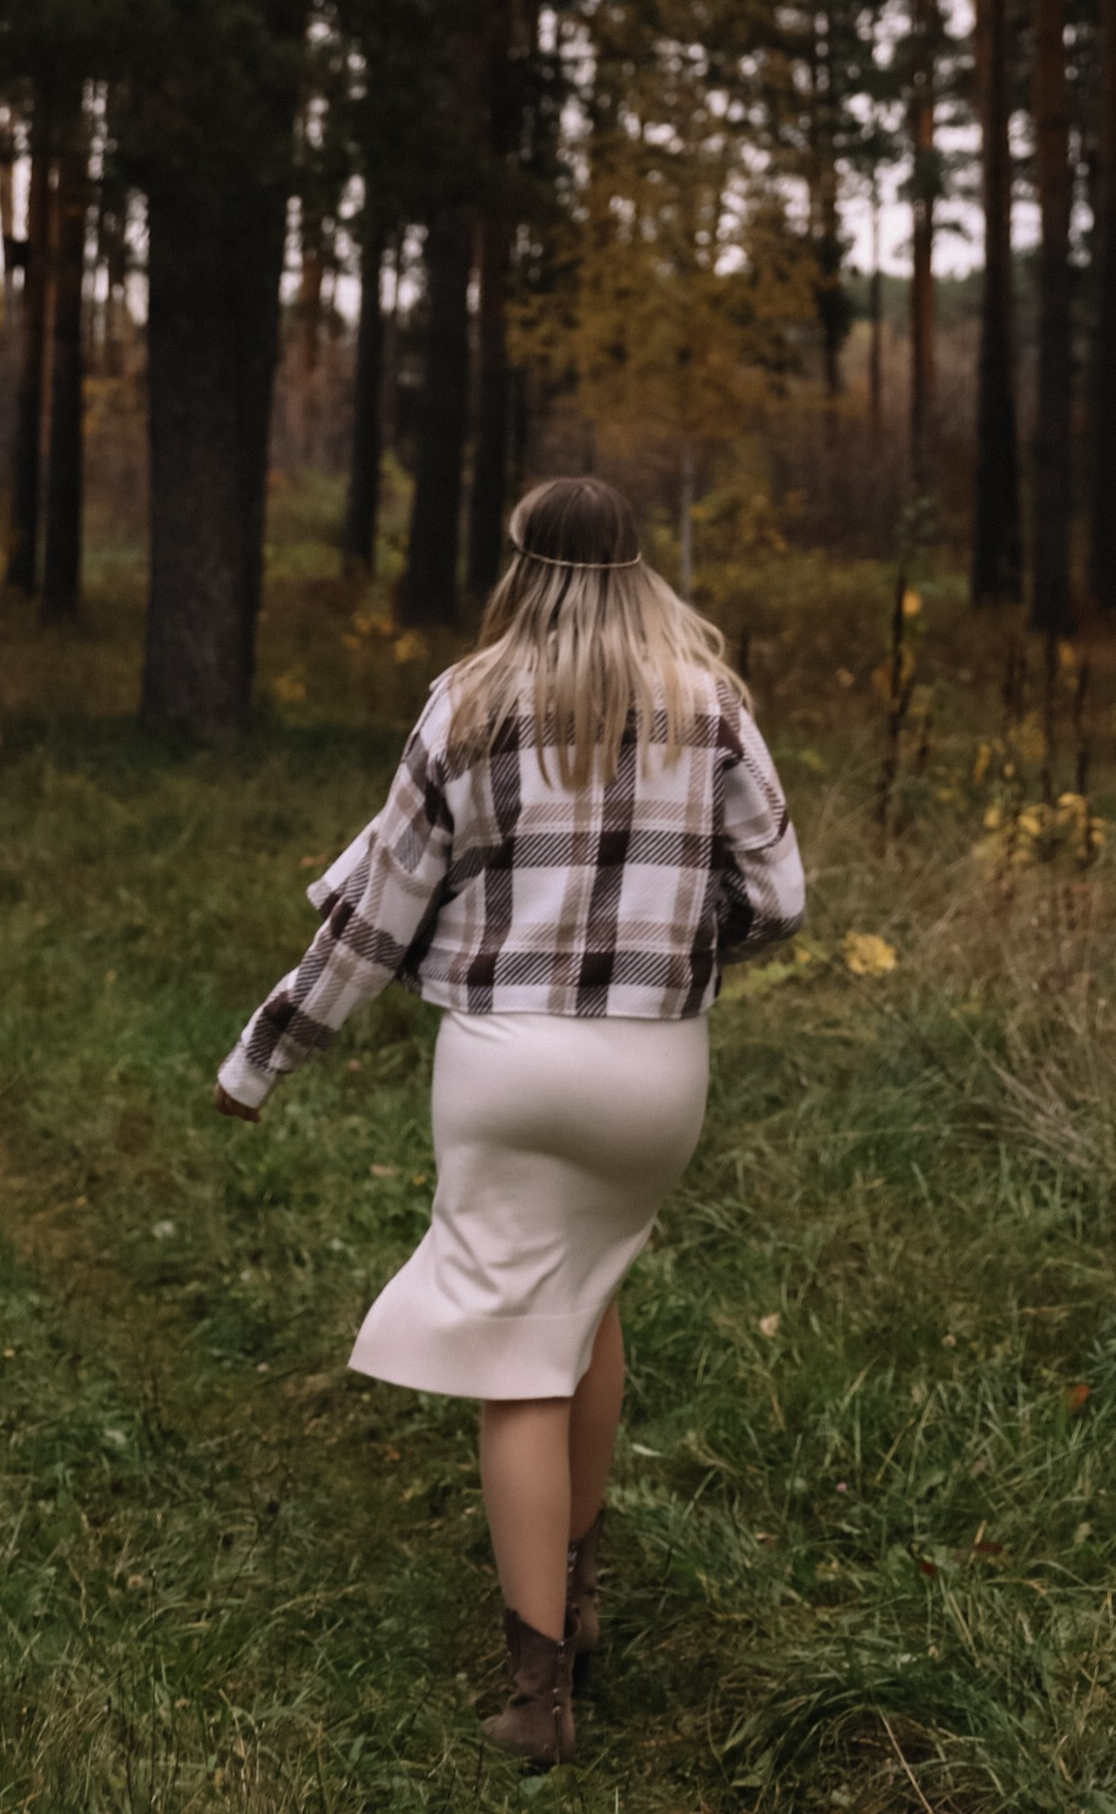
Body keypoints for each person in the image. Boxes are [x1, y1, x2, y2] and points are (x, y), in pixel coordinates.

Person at [213, 473, 806, 1765]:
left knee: (513, 1362)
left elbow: (378, 910)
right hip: (655, 1075)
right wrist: (671, 963)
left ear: (521, 565)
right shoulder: (713, 706)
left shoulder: (469, 704)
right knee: (582, 1303)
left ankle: (539, 1696)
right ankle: (579, 1595)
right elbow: (780, 898)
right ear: (639, 567)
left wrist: (265, 1057)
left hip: (508, 1065)